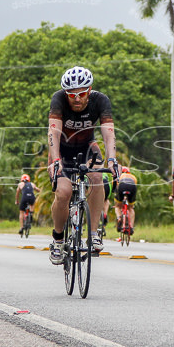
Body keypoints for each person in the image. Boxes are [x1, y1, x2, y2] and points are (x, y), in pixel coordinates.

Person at [47, 66, 119, 263]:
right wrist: (54, 160)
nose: (77, 99)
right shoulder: (58, 99)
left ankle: (94, 234)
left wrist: (112, 159)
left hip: (87, 147)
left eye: (81, 94)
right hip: (61, 150)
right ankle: (58, 239)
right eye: (71, 94)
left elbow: (108, 132)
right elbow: (53, 132)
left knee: (97, 176)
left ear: (90, 90)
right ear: (65, 93)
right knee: (63, 193)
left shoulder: (100, 100)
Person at [113, 166, 138, 233]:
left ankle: (119, 218)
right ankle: (131, 227)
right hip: (132, 187)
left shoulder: (120, 176)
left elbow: (114, 187)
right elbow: (135, 187)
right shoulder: (133, 177)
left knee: (117, 206)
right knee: (131, 208)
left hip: (122, 186)